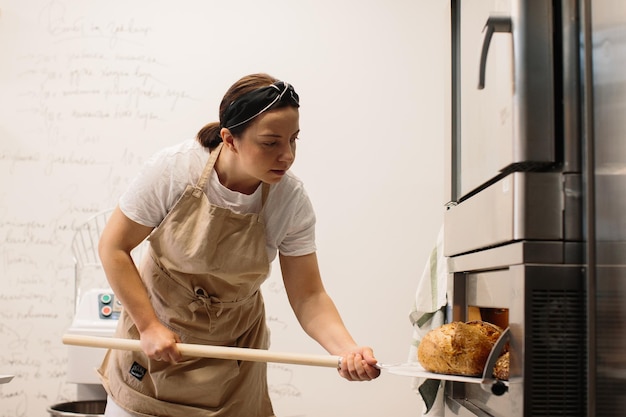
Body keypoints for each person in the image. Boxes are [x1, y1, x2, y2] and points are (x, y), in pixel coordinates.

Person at [97, 73, 381, 417]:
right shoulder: (174, 170)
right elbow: (114, 247)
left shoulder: (289, 201)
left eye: (293, 140)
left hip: (233, 360)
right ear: (230, 139)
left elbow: (309, 297)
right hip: (156, 341)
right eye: (270, 142)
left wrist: (347, 350)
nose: (287, 155)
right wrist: (148, 325)